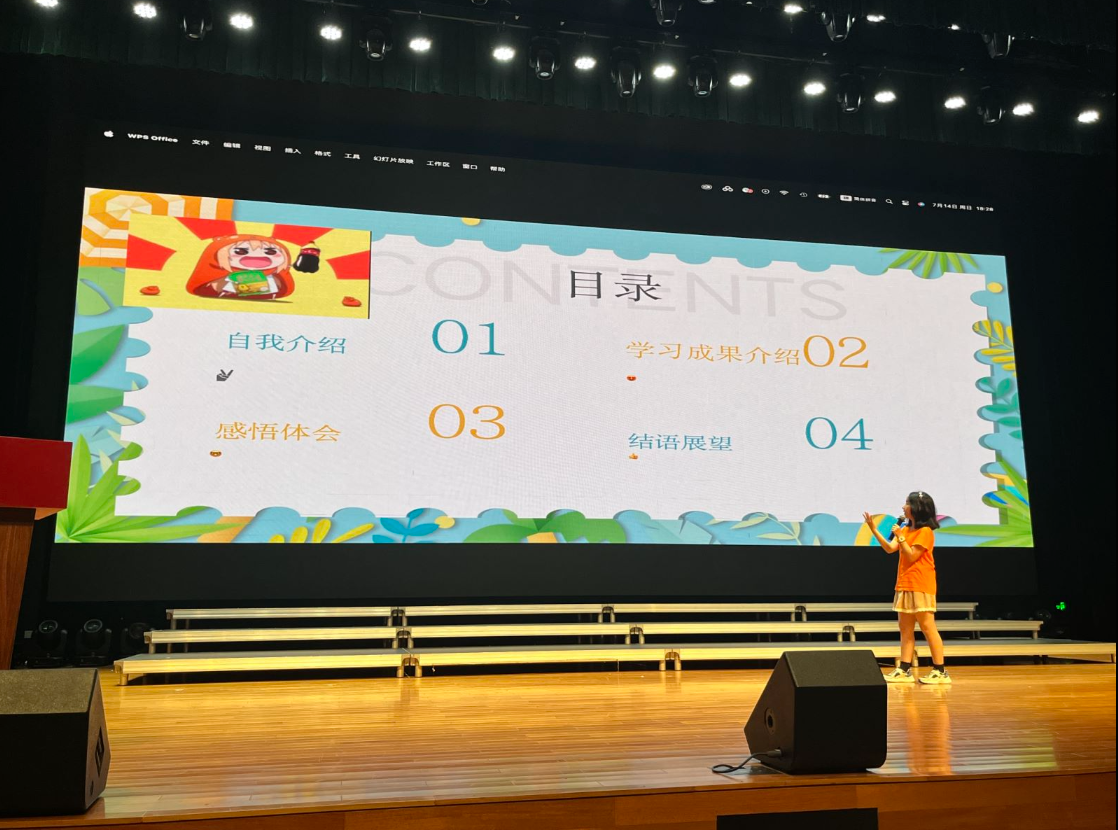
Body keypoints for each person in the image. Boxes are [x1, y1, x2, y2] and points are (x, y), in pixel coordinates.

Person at [862, 492, 951, 685]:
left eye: (907, 503)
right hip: (904, 583)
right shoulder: (905, 529)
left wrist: (901, 537)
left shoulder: (925, 532)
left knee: (928, 627)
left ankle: (940, 670)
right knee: (905, 628)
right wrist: (874, 529)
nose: (903, 507)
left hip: (921, 584)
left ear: (917, 508)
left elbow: (911, 556)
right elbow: (889, 549)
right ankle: (904, 669)